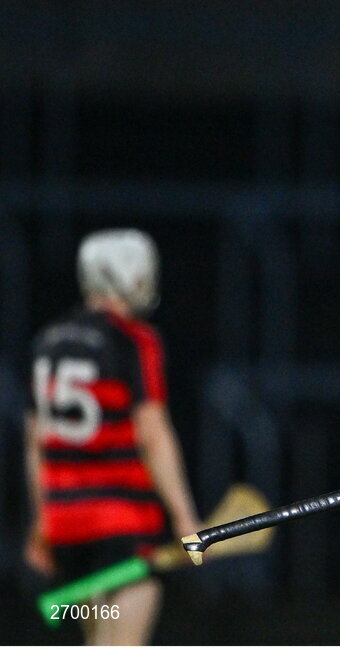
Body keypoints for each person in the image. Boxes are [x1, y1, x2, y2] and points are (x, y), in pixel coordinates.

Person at [23, 229, 201, 645]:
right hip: (124, 527)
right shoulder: (134, 341)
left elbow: (37, 445)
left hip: (68, 530)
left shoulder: (46, 342)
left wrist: (41, 526)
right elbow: (153, 434)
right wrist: (184, 517)